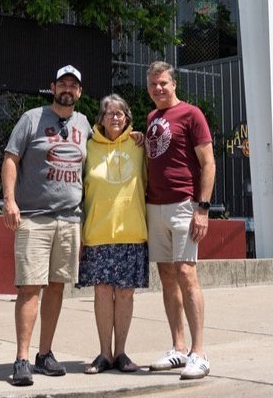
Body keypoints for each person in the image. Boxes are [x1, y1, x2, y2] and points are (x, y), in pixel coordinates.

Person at [1, 65, 90, 387]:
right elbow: (11, 158)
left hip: (69, 220)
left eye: (74, 85)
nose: (68, 89)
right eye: (63, 83)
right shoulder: (31, 118)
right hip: (34, 218)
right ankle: (22, 359)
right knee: (29, 288)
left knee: (56, 287)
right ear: (52, 87)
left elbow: (101, 156)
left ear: (79, 92)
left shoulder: (83, 124)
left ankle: (45, 354)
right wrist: (9, 201)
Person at [143, 61, 215, 380]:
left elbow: (208, 162)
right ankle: (178, 348)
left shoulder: (191, 114)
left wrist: (203, 207)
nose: (158, 88)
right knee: (167, 275)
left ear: (174, 85)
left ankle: (199, 354)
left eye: (163, 83)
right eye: (153, 84)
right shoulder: (151, 119)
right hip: (154, 206)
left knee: (187, 273)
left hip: (185, 205)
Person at [77, 94, 148, 375]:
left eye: (120, 113)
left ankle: (121, 353)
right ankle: (104, 354)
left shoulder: (139, 145)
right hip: (98, 232)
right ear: (101, 119)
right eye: (109, 113)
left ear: (128, 118)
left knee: (126, 294)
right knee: (103, 293)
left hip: (131, 232)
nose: (115, 117)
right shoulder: (88, 146)